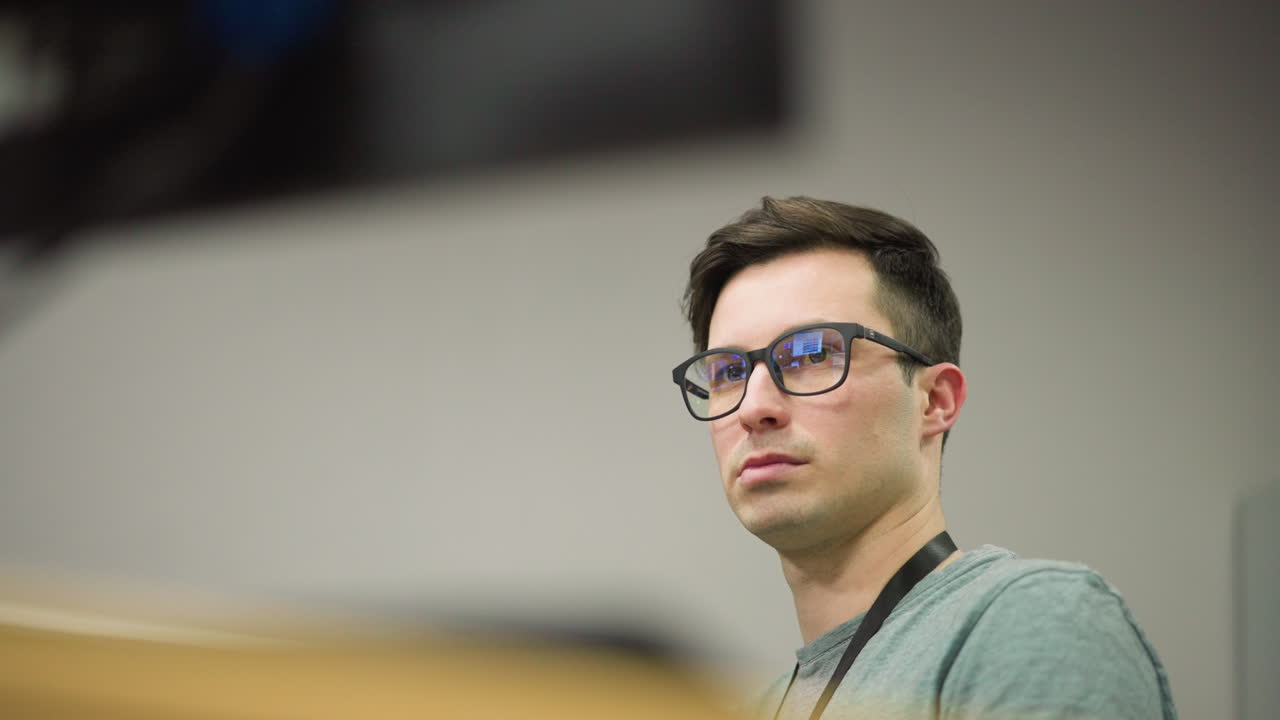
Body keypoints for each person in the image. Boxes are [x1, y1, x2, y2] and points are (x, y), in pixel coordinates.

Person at [671, 197, 1176, 719]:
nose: (754, 407)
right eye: (727, 372)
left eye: (812, 354)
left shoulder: (1032, 619)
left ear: (935, 401)